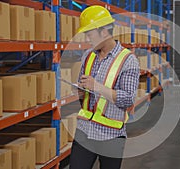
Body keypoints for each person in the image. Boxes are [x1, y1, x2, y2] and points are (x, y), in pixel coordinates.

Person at [69, 5, 140, 169]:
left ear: (104, 32)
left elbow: (127, 99)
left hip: (111, 135)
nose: (87, 39)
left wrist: (97, 87)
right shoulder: (88, 55)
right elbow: (85, 87)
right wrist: (80, 90)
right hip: (85, 130)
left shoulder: (128, 60)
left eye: (90, 34)